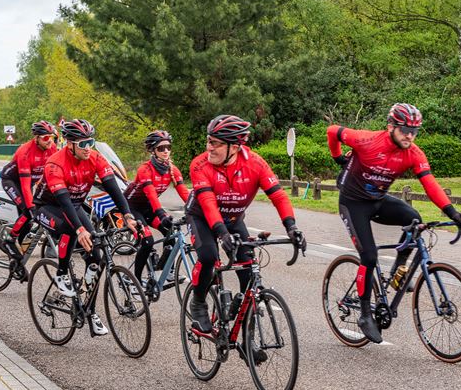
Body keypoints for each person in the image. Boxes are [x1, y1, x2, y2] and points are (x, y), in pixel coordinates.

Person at [327, 103, 461, 343]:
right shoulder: (366, 140)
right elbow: (332, 130)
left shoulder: (413, 153)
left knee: (414, 219)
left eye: (415, 131)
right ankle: (364, 315)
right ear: (391, 126)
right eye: (405, 130)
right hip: (353, 204)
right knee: (369, 257)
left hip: (378, 200)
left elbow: (430, 183)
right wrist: (338, 157)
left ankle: (397, 272)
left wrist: (451, 212)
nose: (410, 136)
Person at [186, 115, 305, 338]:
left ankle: (247, 340)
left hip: (233, 219)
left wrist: (292, 227)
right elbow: (209, 204)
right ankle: (199, 303)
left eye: (215, 143)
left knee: (249, 273)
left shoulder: (255, 164)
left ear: (235, 146)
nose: (208, 147)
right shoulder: (200, 165)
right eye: (208, 141)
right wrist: (221, 234)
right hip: (201, 216)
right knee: (209, 256)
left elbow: (279, 196)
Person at [31, 118, 138, 336]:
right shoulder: (55, 163)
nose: (88, 148)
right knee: (71, 229)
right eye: (83, 144)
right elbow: (63, 202)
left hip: (75, 205)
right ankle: (61, 273)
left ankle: (87, 310)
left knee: (97, 258)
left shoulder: (94, 157)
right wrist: (80, 230)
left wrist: (127, 214)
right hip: (48, 206)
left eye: (91, 142)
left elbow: (113, 188)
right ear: (69, 144)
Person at [123, 130, 190, 289]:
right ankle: (136, 281)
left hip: (147, 208)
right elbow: (151, 194)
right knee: (147, 241)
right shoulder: (145, 169)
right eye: (161, 148)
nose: (166, 150)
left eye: (168, 147)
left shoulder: (172, 170)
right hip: (131, 208)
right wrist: (161, 213)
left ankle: (161, 271)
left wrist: (195, 208)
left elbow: (184, 192)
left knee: (171, 234)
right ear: (153, 150)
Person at [0, 120, 57, 258]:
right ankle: (9, 241)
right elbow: (24, 185)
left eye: (51, 137)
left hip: (30, 181)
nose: (50, 141)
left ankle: (18, 245)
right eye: (46, 138)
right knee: (29, 210)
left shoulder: (52, 148)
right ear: (36, 138)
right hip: (12, 181)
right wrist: (31, 207)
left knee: (31, 220)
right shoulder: (25, 152)